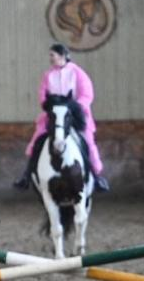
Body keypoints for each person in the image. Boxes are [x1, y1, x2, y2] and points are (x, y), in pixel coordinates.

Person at [13, 43, 110, 192]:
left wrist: (72, 107)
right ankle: (27, 175)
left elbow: (87, 94)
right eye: (50, 55)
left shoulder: (78, 73)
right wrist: (49, 105)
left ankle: (96, 177)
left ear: (62, 56)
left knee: (87, 141)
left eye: (53, 55)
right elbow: (42, 95)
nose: (50, 58)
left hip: (74, 115)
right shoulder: (47, 75)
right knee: (37, 140)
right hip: (54, 115)